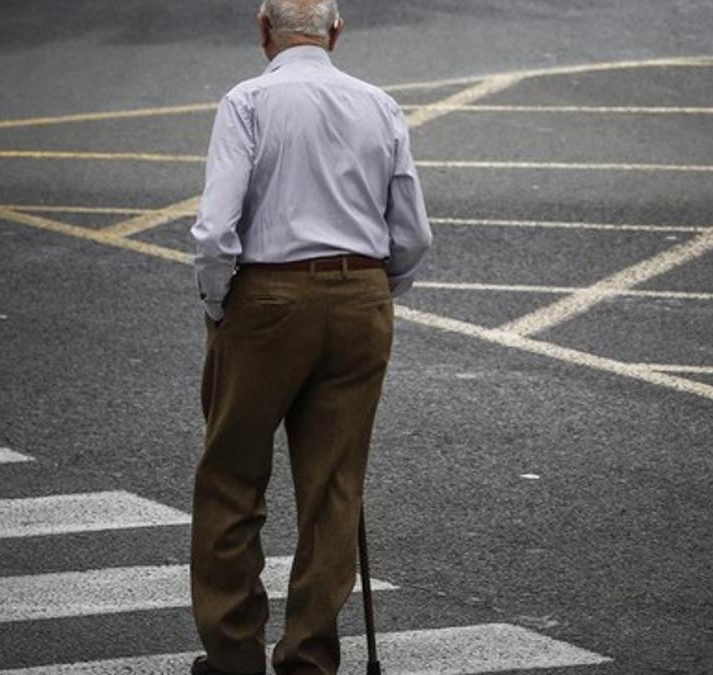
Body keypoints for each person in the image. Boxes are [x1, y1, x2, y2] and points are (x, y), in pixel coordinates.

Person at [189, 0, 432, 673]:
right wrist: (374, 289)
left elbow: (214, 231)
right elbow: (412, 233)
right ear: (336, 32)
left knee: (232, 477)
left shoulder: (248, 101)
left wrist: (218, 304)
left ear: (263, 30)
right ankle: (308, 657)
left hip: (266, 295)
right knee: (333, 489)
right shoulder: (378, 105)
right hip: (360, 296)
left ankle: (234, 655)